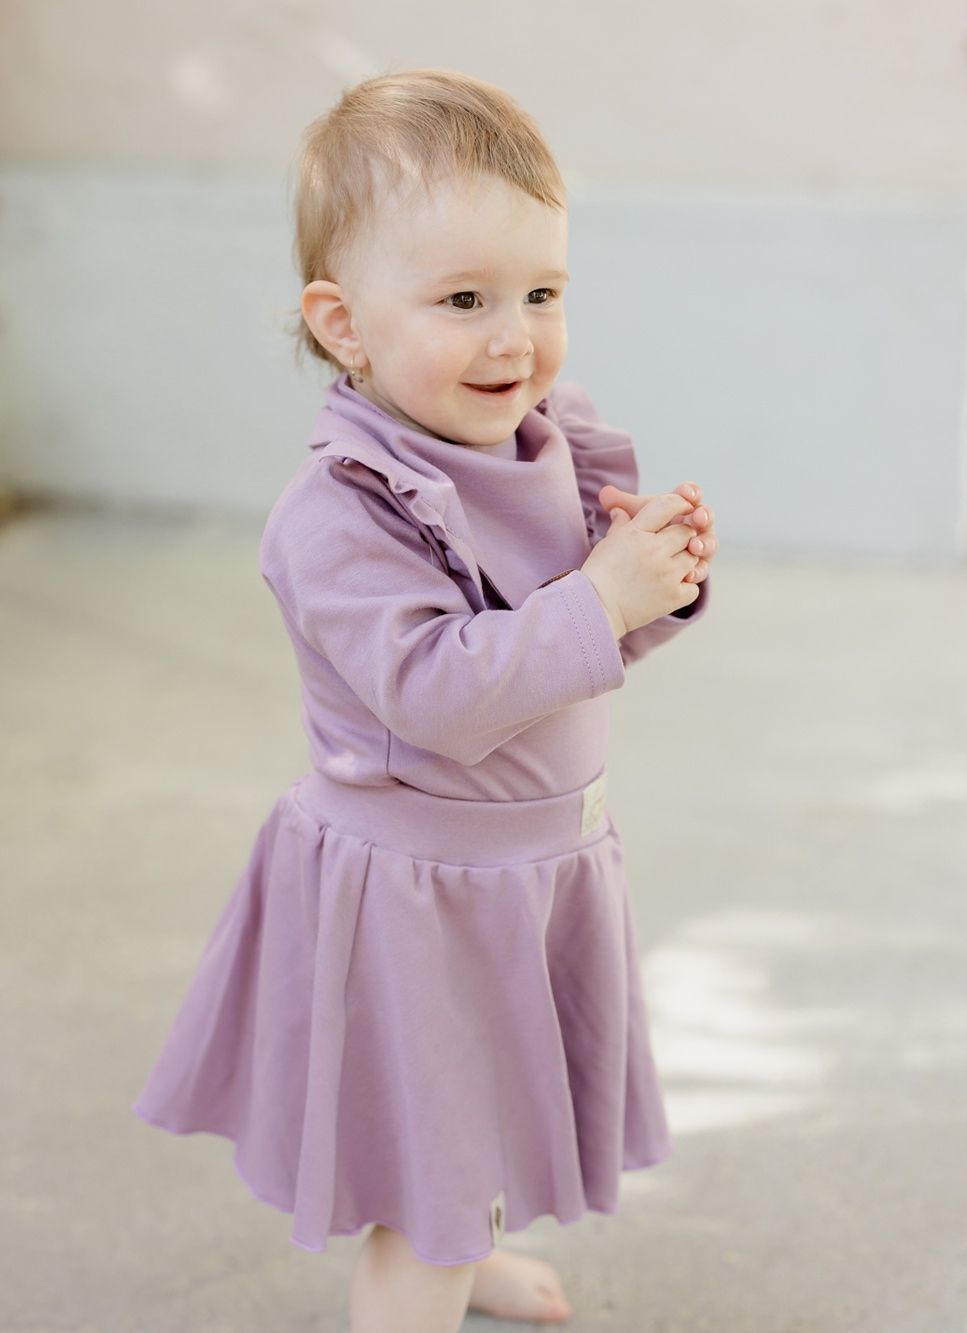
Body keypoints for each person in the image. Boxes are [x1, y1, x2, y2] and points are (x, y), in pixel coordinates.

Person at [130, 68, 718, 1332]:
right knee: (431, 1166)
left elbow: (567, 658)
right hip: (420, 898)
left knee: (482, 1118)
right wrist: (598, 600)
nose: (515, 338)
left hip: (536, 870)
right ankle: (430, 1269)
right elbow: (438, 693)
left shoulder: (540, 443)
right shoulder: (338, 514)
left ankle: (466, 1246)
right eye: (463, 300)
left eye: (542, 293)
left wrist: (652, 584)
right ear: (344, 325)